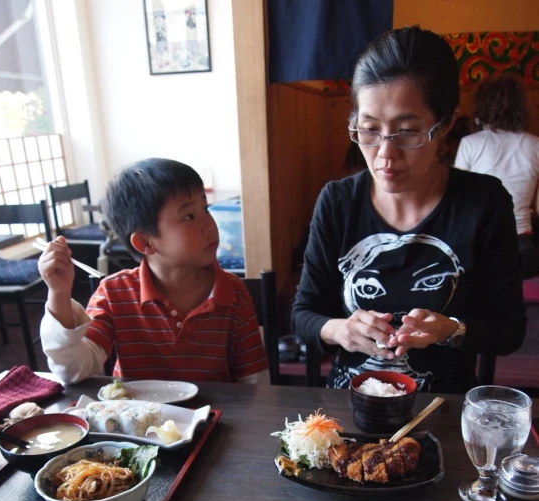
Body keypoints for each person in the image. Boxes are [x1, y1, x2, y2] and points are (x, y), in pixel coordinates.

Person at [291, 25, 526, 393]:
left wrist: (451, 329)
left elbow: (510, 330)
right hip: (348, 409)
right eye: (368, 130)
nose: (385, 154)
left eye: (407, 132)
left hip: (442, 406)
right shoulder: (338, 202)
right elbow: (304, 314)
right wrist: (341, 329)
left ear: (446, 123)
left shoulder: (483, 202)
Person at [39, 158, 269, 384]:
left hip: (217, 419)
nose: (210, 225)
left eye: (205, 209)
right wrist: (58, 294)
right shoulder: (114, 293)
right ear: (145, 243)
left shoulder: (232, 292)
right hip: (138, 420)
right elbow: (73, 371)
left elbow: (254, 381)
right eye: (189, 216)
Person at [455, 74, 539, 279]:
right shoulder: (536, 145)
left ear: (482, 106)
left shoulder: (470, 144)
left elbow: (457, 201)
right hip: (523, 248)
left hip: (480, 245)